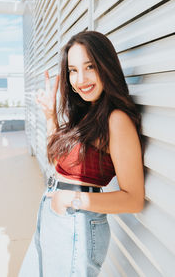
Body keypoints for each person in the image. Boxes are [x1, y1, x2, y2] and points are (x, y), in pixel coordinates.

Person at [19, 31, 145, 277]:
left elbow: (134, 199)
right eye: (73, 70)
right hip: (54, 211)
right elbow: (59, 164)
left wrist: (72, 200)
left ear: (106, 66)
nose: (81, 79)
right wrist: (50, 117)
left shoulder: (116, 120)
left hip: (75, 219)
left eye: (90, 67)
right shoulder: (87, 113)